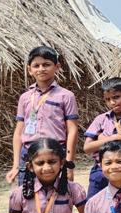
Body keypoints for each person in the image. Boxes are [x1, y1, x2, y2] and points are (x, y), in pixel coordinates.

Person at [6, 46, 79, 186]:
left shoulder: (66, 96)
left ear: (57, 67)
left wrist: (69, 163)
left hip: (55, 152)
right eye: (36, 65)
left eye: (46, 64)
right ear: (29, 70)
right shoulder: (25, 98)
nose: (41, 69)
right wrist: (15, 165)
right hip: (28, 153)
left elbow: (72, 130)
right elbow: (18, 132)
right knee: (27, 197)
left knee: (57, 196)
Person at [81, 77, 121, 199]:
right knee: (94, 204)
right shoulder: (101, 119)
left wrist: (100, 138)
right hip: (100, 170)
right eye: (108, 99)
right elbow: (87, 148)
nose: (112, 102)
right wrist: (114, 137)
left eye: (116, 97)